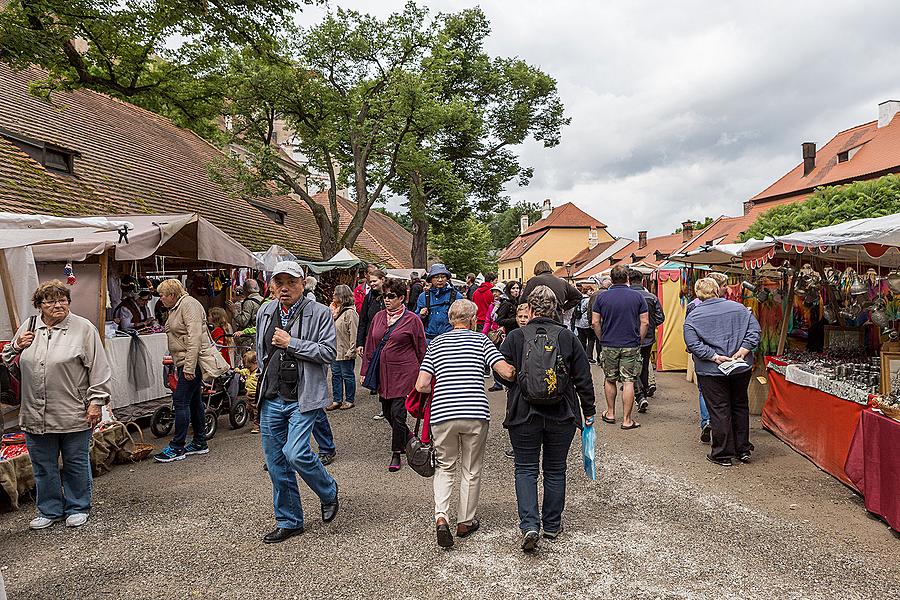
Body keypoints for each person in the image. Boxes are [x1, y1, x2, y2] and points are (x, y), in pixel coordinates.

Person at [1, 281, 111, 529]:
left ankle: (78, 506)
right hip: (34, 412)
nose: (58, 305)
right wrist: (18, 346)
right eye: (50, 301)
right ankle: (49, 510)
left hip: (73, 410)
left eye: (62, 300)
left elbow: (99, 369)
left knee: (75, 461)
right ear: (39, 306)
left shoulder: (83, 329)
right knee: (43, 465)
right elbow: (8, 361)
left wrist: (96, 403)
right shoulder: (29, 327)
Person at [500, 286, 596, 552]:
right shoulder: (567, 337)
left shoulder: (516, 337)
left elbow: (501, 373)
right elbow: (583, 378)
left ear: (529, 309)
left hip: (523, 412)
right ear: (555, 309)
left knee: (525, 469)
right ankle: (552, 524)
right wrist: (588, 411)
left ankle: (530, 524)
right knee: (555, 469)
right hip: (562, 413)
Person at [416, 299, 516, 548]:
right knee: (471, 469)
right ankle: (465, 521)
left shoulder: (436, 344)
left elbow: (421, 385)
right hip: (474, 412)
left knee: (445, 467)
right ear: (473, 320)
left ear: (450, 320)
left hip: (442, 414)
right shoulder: (481, 341)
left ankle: (441, 517)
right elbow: (504, 372)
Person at [254, 261, 339, 543]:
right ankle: (290, 520)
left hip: (304, 397)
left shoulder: (320, 313)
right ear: (272, 286)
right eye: (279, 283)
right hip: (272, 398)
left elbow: (328, 352)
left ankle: (328, 490)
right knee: (276, 462)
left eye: (290, 282)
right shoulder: (266, 311)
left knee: (296, 453)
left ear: (303, 282)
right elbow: (261, 350)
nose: (284, 288)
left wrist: (292, 342)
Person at [684, 277, 761, 467]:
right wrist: (744, 350)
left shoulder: (693, 316)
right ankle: (742, 449)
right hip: (740, 367)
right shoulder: (740, 308)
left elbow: (692, 343)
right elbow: (755, 330)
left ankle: (722, 453)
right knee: (740, 405)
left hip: (711, 370)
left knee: (719, 409)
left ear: (698, 294)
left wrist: (713, 356)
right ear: (718, 290)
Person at [361, 278, 426, 472]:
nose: (387, 300)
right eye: (384, 296)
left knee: (398, 414)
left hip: (405, 373)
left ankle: (397, 452)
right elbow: (370, 344)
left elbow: (421, 348)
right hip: (383, 373)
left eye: (391, 296)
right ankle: (408, 437)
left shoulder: (412, 319)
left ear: (401, 298)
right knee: (388, 412)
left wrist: (426, 373)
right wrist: (365, 370)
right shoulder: (379, 317)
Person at [154, 279, 211, 462]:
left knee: (180, 401)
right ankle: (200, 442)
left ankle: (177, 447)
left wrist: (189, 366)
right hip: (185, 360)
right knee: (194, 401)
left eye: (162, 295)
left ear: (172, 295)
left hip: (191, 361)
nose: (160, 298)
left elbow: (195, 337)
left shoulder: (189, 305)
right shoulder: (178, 306)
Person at [591, 265, 648, 430]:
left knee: (610, 379)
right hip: (630, 343)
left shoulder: (601, 298)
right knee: (628, 380)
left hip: (609, 343)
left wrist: (602, 338)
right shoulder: (637, 297)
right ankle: (627, 419)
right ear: (627, 278)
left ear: (611, 278)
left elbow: (595, 322)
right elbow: (645, 322)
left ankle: (610, 413)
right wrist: (639, 339)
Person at [686, 271, 727, 443]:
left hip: (701, 352)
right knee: (722, 390)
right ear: (716, 288)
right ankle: (720, 423)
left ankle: (707, 421)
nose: (726, 289)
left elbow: (688, 329)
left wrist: (691, 347)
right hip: (722, 351)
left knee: (704, 389)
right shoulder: (726, 306)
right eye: (724, 285)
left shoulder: (692, 305)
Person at [628, 269, 665, 411]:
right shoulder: (652, 297)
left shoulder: (627, 297)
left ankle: (640, 395)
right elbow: (661, 317)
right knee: (644, 365)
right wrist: (651, 325)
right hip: (648, 337)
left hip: (630, 336)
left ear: (629, 280)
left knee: (630, 366)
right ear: (642, 280)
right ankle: (642, 392)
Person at [357, 268, 387, 417]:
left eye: (375, 281)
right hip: (372, 339)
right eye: (370, 282)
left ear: (382, 280)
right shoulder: (369, 297)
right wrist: (360, 343)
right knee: (376, 372)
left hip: (388, 340)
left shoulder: (390, 296)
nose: (372, 284)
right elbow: (363, 321)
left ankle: (387, 404)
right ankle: (384, 402)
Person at [327, 285, 359, 411]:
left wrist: (352, 349)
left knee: (347, 375)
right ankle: (337, 400)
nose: (333, 295)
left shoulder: (350, 313)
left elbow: (354, 332)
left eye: (335, 294)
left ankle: (349, 400)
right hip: (335, 349)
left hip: (345, 349)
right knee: (335, 375)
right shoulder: (334, 311)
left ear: (342, 296)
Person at [415, 263, 463, 343]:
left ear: (447, 278)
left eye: (443, 277)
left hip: (450, 340)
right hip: (429, 340)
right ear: (430, 279)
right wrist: (421, 315)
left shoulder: (456, 296)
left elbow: (463, 319)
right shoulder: (423, 297)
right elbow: (415, 320)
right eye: (436, 277)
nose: (440, 280)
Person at [482, 284, 506, 392]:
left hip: (504, 335)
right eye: (494, 292)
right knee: (494, 359)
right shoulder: (492, 306)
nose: (495, 294)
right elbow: (488, 320)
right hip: (494, 335)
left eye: (498, 292)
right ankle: (498, 383)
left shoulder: (506, 305)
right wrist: (484, 333)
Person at [237, 350, 260, 434]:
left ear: (256, 363)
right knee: (248, 408)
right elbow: (243, 371)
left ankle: (256, 426)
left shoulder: (258, 372)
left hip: (256, 394)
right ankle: (252, 417)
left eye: (250, 367)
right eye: (247, 367)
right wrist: (237, 370)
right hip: (248, 394)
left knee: (256, 411)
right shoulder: (247, 370)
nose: (248, 369)